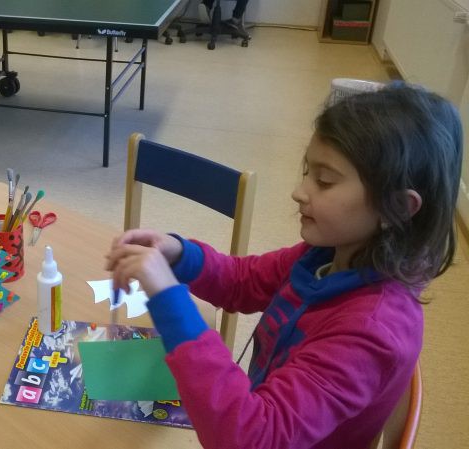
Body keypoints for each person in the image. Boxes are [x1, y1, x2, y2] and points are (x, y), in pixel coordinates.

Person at [105, 84, 463, 448]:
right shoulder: (326, 254)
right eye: (308, 171)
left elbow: (255, 439)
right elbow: (242, 280)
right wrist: (181, 254)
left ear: (398, 207)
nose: (299, 191)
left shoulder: (373, 332)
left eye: (324, 181)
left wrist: (168, 298)